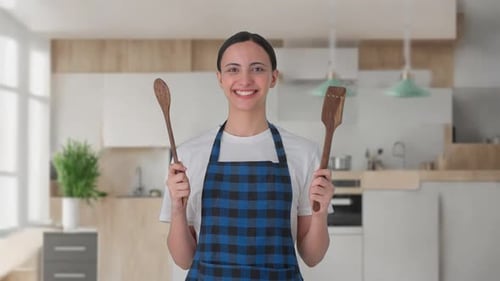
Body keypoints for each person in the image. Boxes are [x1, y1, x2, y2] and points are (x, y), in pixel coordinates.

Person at [159, 31, 335, 281]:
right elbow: (184, 259)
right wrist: (178, 209)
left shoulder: (304, 153)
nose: (245, 79)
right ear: (220, 78)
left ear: (273, 78)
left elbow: (312, 256)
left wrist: (320, 212)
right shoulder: (188, 155)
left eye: (257, 69)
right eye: (233, 69)